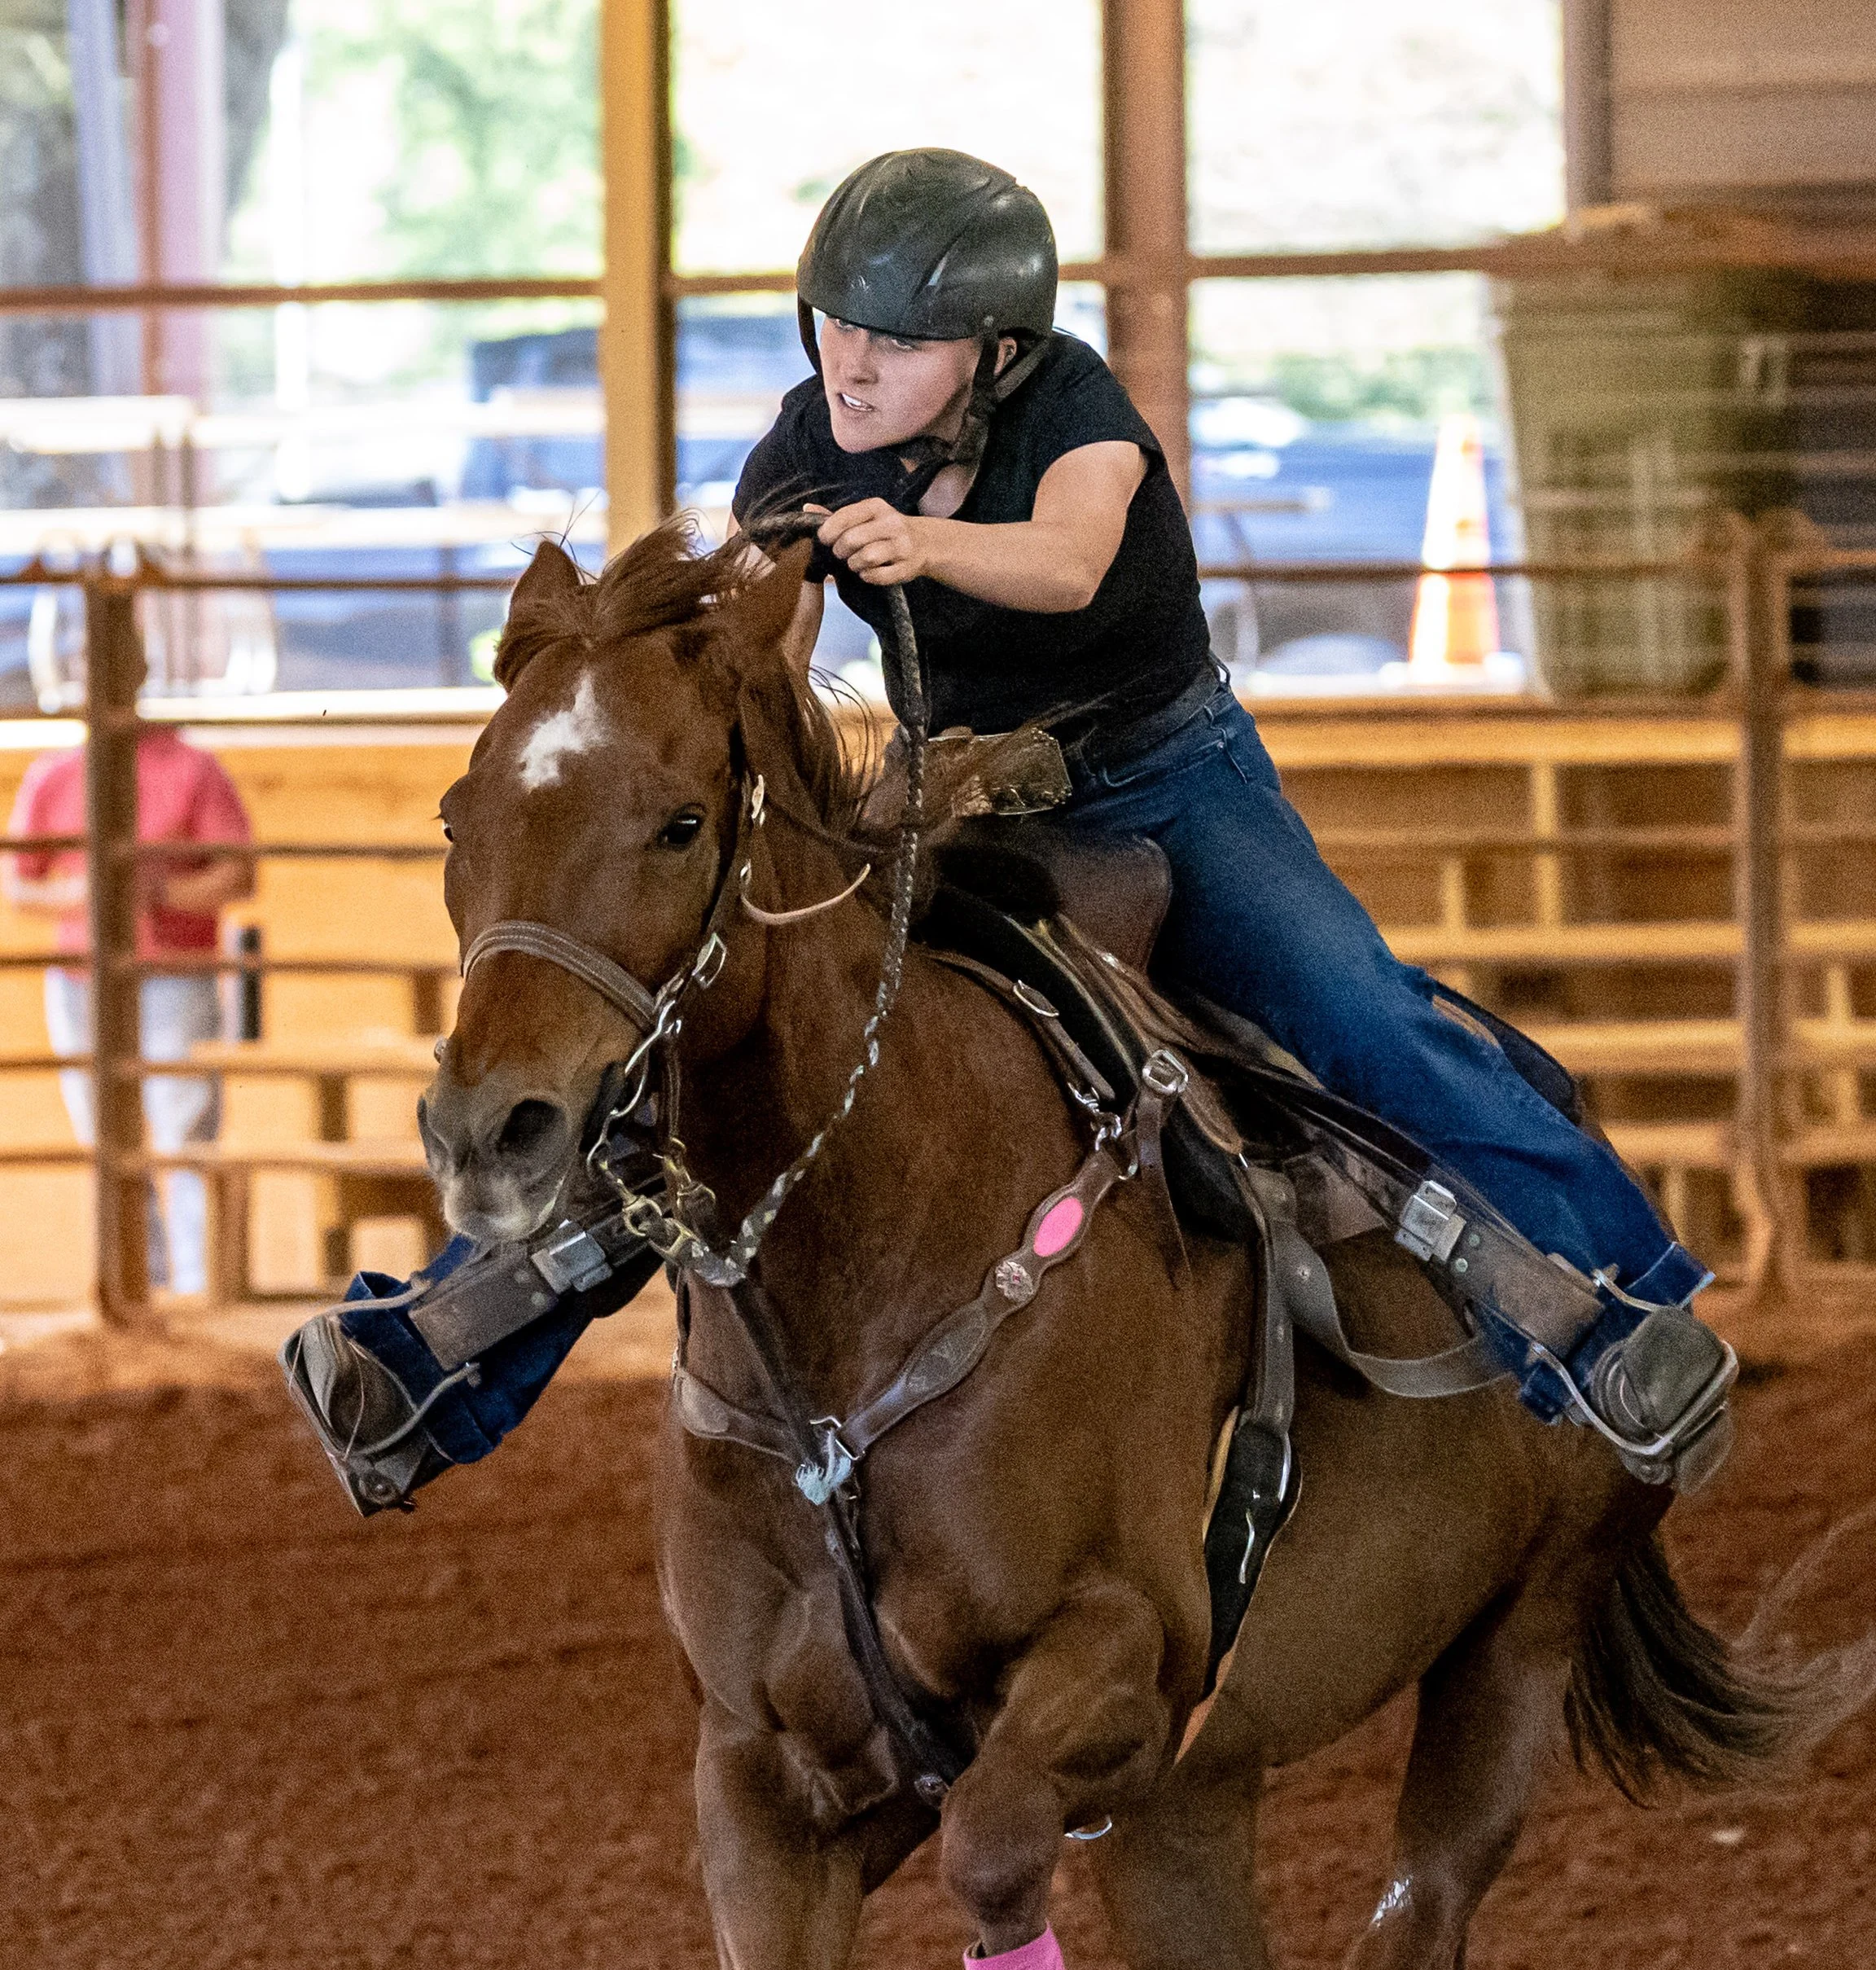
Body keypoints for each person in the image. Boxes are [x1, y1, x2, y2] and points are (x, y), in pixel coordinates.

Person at [286, 145, 1732, 1513]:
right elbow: (763, 668)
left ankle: (1615, 1312)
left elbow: (1071, 556)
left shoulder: (1079, 414)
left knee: (1353, 1010)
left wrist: (924, 547)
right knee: (718, 1055)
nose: (851, 361)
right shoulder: (802, 453)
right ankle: (439, 1351)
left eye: (897, 342)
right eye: (833, 324)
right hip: (958, 790)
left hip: (1172, 781)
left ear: (994, 356)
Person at [5, 722, 254, 1296]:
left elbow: (238, 871)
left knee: (183, 1129)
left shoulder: (191, 769)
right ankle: (138, 1281)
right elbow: (19, 883)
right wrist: (87, 893)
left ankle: (194, 1289)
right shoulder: (56, 773)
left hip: (172, 973)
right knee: (106, 1133)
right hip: (81, 979)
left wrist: (156, 892)